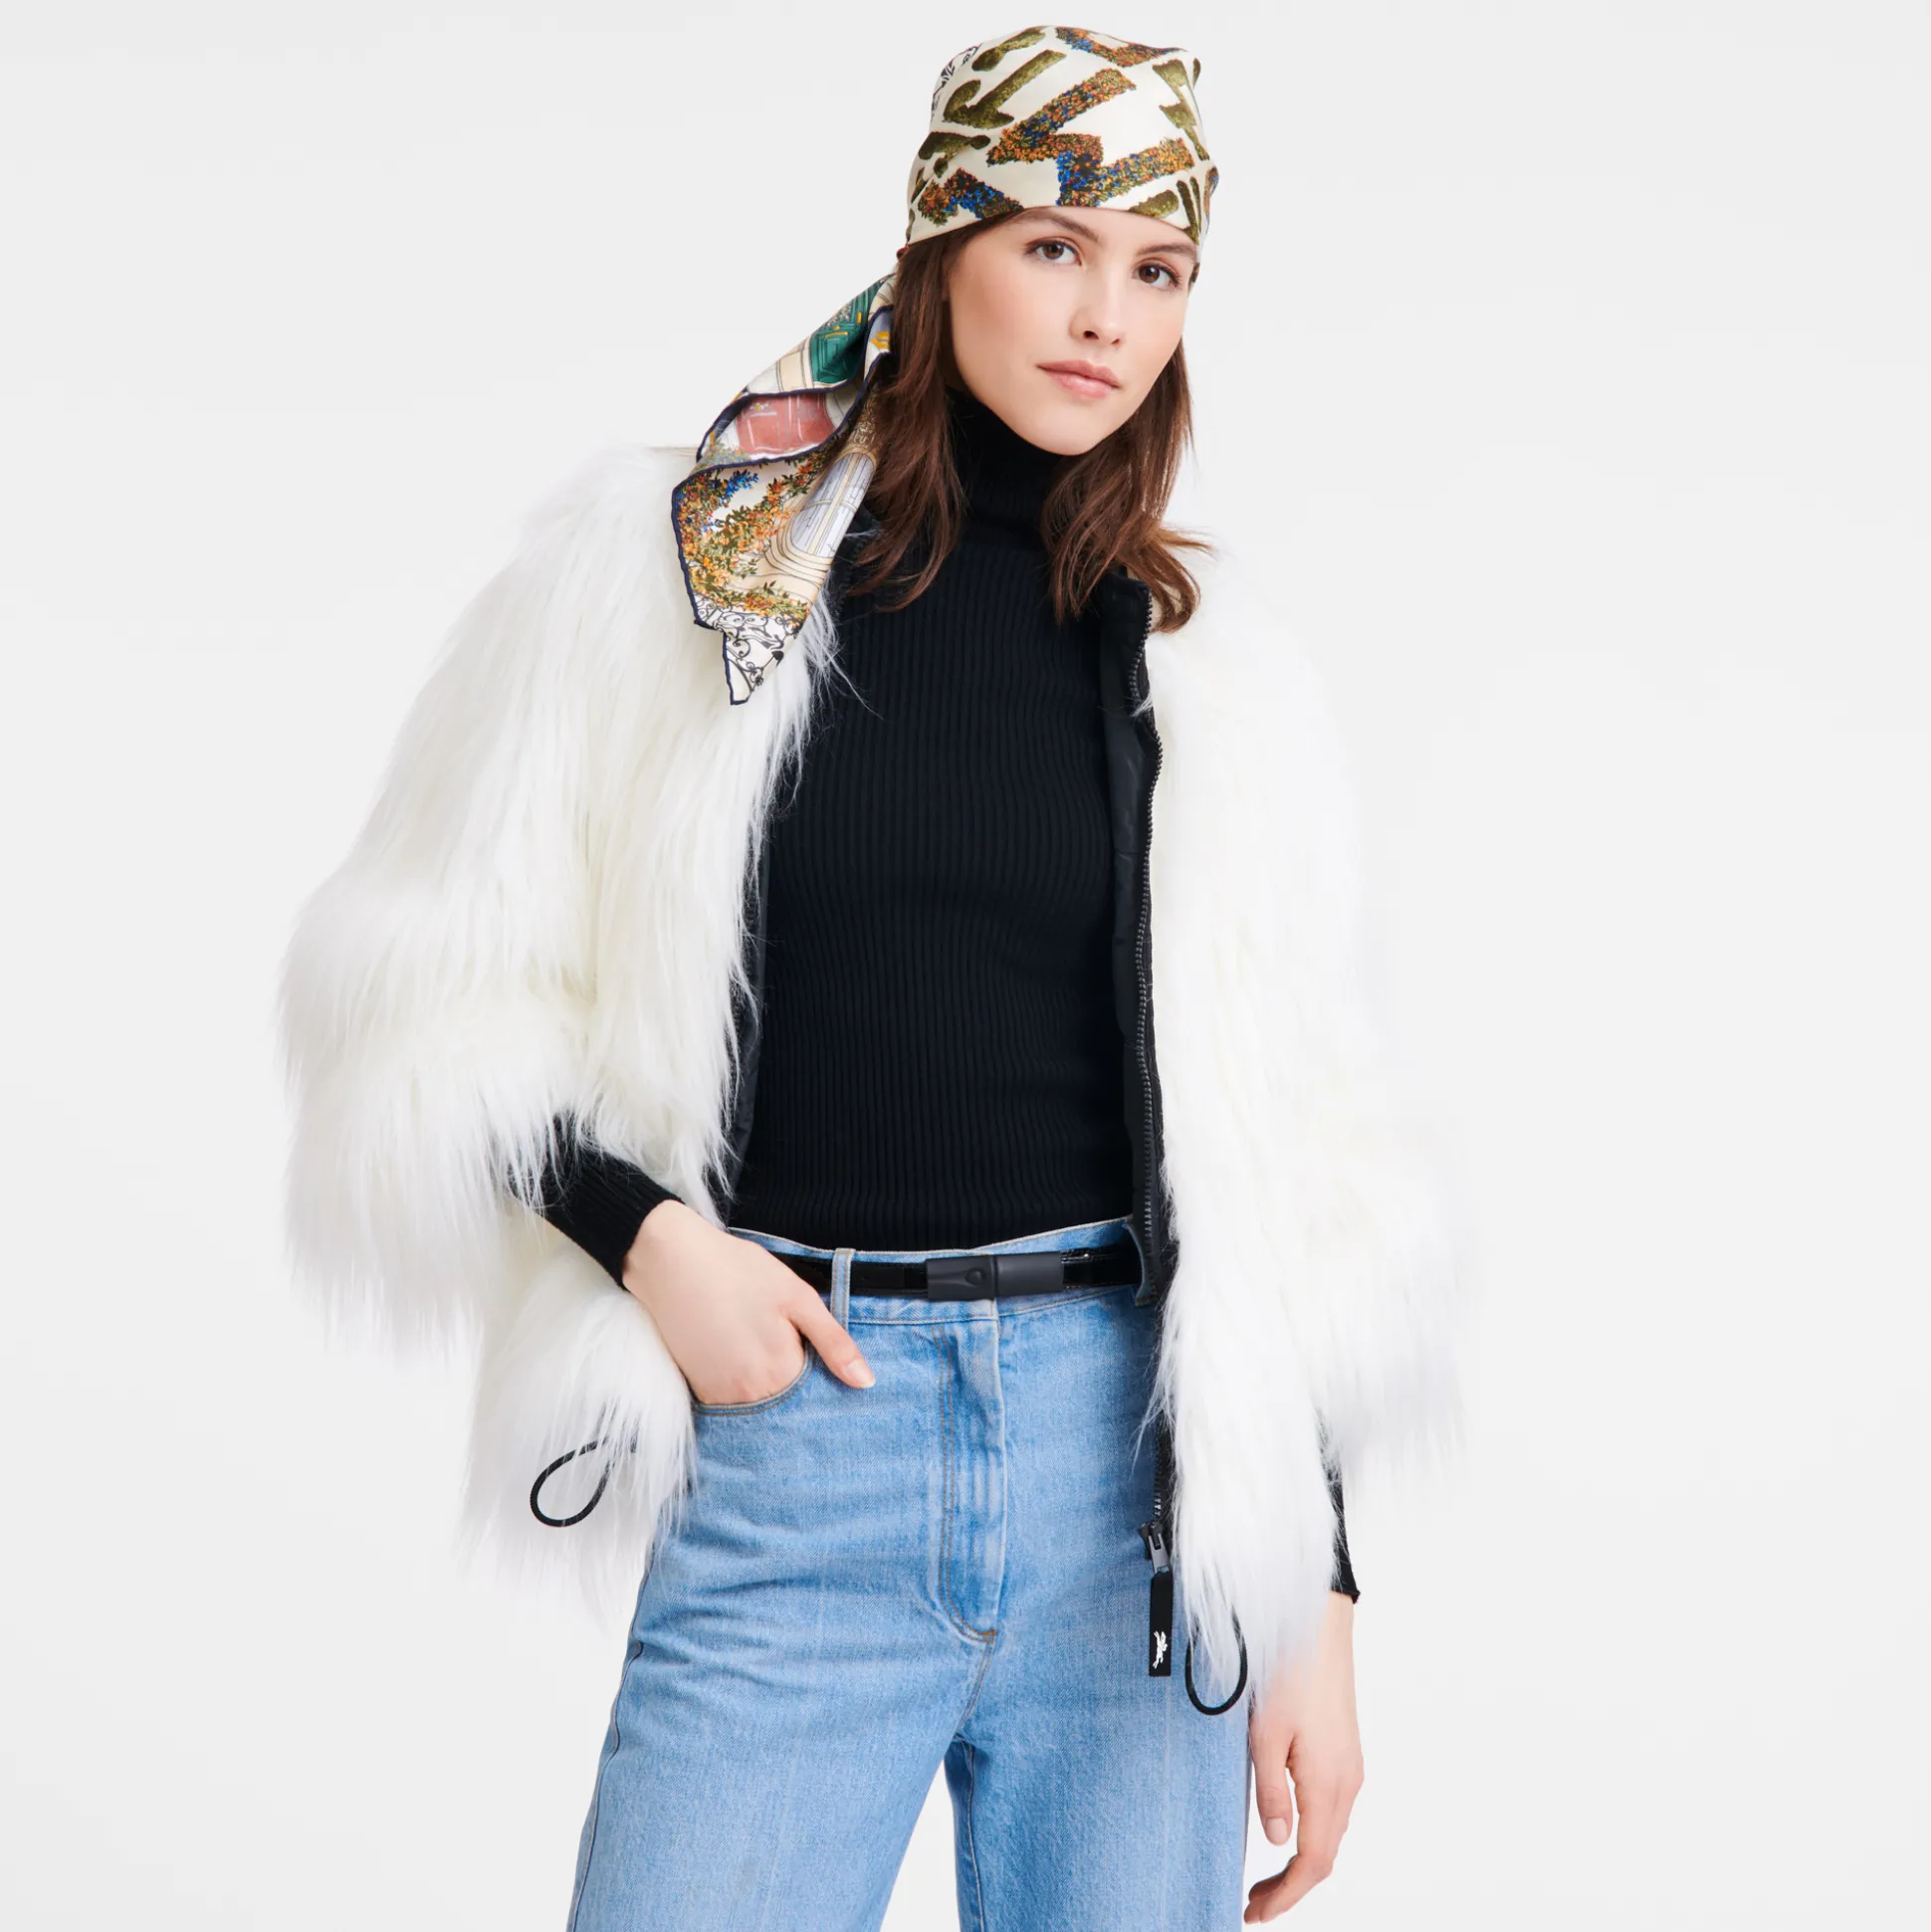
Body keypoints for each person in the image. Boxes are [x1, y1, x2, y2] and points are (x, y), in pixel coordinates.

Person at [275, 25, 1463, 1929]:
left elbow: (1284, 1152)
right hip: (796, 1448)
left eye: (1159, 268)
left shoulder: (1204, 660)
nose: (1108, 315)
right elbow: (417, 1006)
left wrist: (1309, 1576)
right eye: (1055, 245)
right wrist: (654, 1243)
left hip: (1136, 1493)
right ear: (941, 242)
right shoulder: (681, 575)